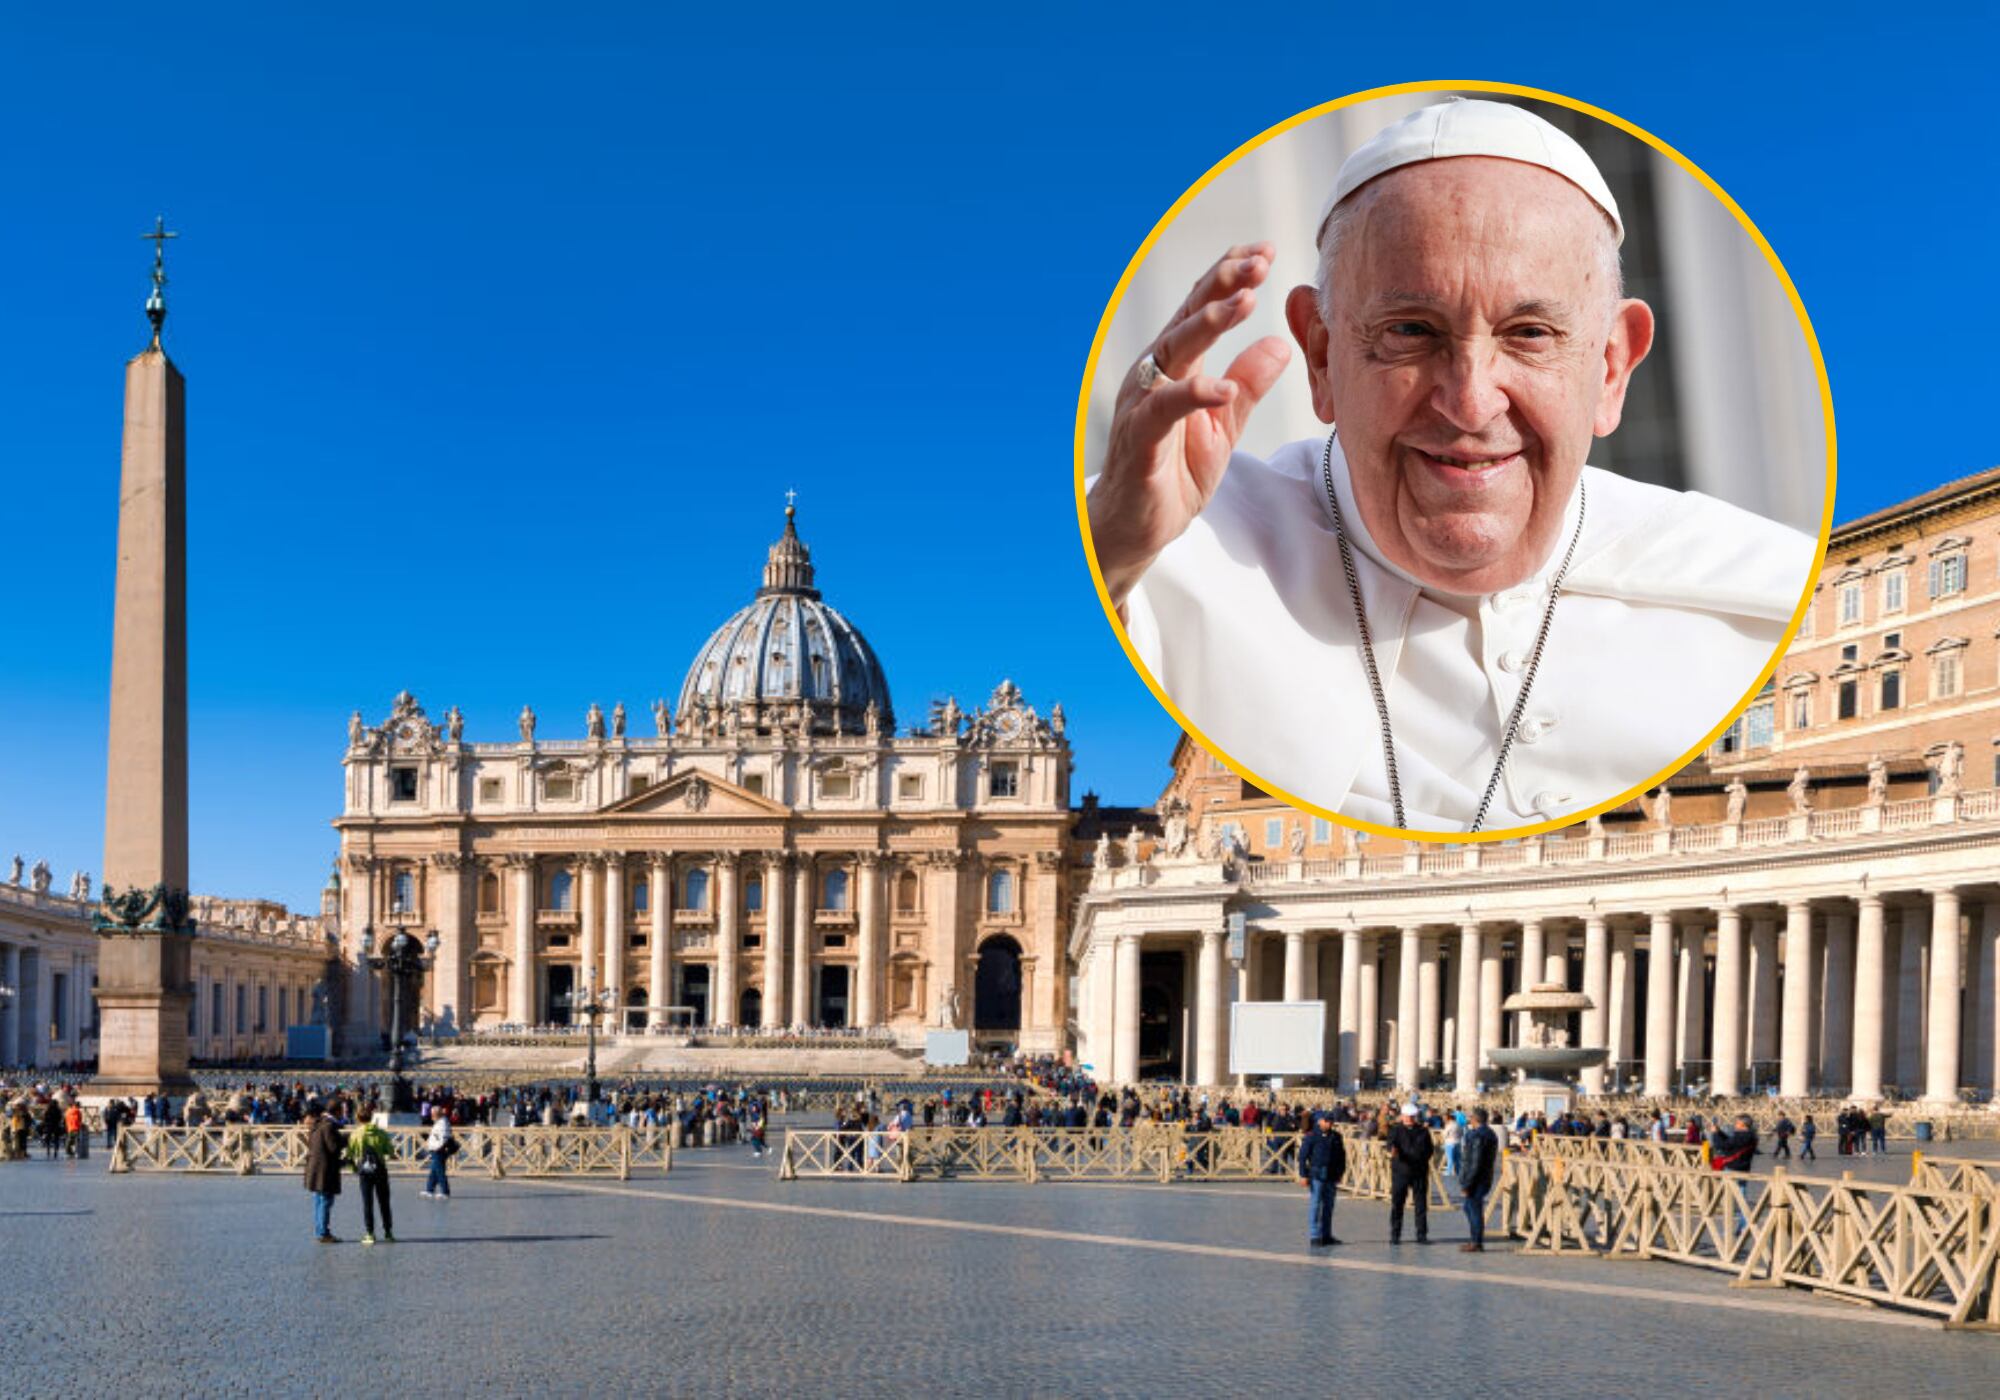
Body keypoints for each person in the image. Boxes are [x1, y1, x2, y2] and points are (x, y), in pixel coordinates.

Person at [1087, 97, 1816, 831]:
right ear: (1322, 355)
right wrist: (1114, 550)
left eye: (1530, 333)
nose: (1469, 404)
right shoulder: (1158, 549)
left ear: (1611, 368)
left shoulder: (1768, 592)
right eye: (1410, 331)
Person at [345, 1105, 396, 1245]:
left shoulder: (356, 1134)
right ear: (372, 1118)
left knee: (367, 1203)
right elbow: (390, 1152)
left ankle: (370, 1233)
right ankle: (388, 1232)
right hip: (380, 1170)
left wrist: (354, 1169)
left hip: (365, 1172)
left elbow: (349, 1155)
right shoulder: (381, 1133)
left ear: (358, 1119)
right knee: (384, 1202)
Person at [1297, 1110, 1348, 1247]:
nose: (1329, 1124)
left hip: (1332, 1175)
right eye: (1327, 1121)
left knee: (1329, 1206)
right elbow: (1302, 1157)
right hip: (1317, 1174)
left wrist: (1341, 1172)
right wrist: (1303, 1175)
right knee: (1315, 1205)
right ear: (1320, 1121)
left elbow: (1342, 1156)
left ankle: (1326, 1235)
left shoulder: (1337, 1137)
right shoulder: (1311, 1136)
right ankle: (1315, 1236)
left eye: (1331, 1121)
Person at [1386, 1100, 1434, 1244]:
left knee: (1420, 1204)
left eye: (1412, 1116)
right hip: (1401, 1172)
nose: (1410, 1119)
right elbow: (1390, 1144)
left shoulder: (1423, 1131)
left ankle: (1421, 1234)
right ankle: (1395, 1234)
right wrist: (1392, 1151)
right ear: (1402, 1116)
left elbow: (1430, 1149)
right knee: (1397, 1204)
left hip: (1419, 1171)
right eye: (1407, 1116)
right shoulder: (1396, 1130)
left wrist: (1421, 1158)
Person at [302, 1099, 345, 1244]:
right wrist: (345, 1140)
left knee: (319, 1201)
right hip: (324, 1170)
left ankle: (319, 1230)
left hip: (315, 1168)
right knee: (325, 1201)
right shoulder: (328, 1126)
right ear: (337, 1111)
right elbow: (333, 1147)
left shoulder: (317, 1124)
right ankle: (324, 1233)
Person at [1457, 1107, 1499, 1253]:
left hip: (1476, 1179)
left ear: (1474, 1119)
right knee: (1470, 1208)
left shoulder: (1477, 1136)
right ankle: (1475, 1240)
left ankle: (1476, 1242)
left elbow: (1475, 1162)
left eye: (1470, 1118)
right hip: (1485, 1177)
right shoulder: (1490, 1133)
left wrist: (1467, 1183)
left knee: (1473, 1209)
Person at [422, 1110, 456, 1199]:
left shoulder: (442, 1124)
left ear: (436, 1114)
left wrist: (438, 1148)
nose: (431, 1116)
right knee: (434, 1171)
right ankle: (429, 1190)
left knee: (440, 1172)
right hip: (435, 1149)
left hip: (439, 1151)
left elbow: (443, 1138)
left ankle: (445, 1191)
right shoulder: (439, 1122)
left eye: (432, 1114)